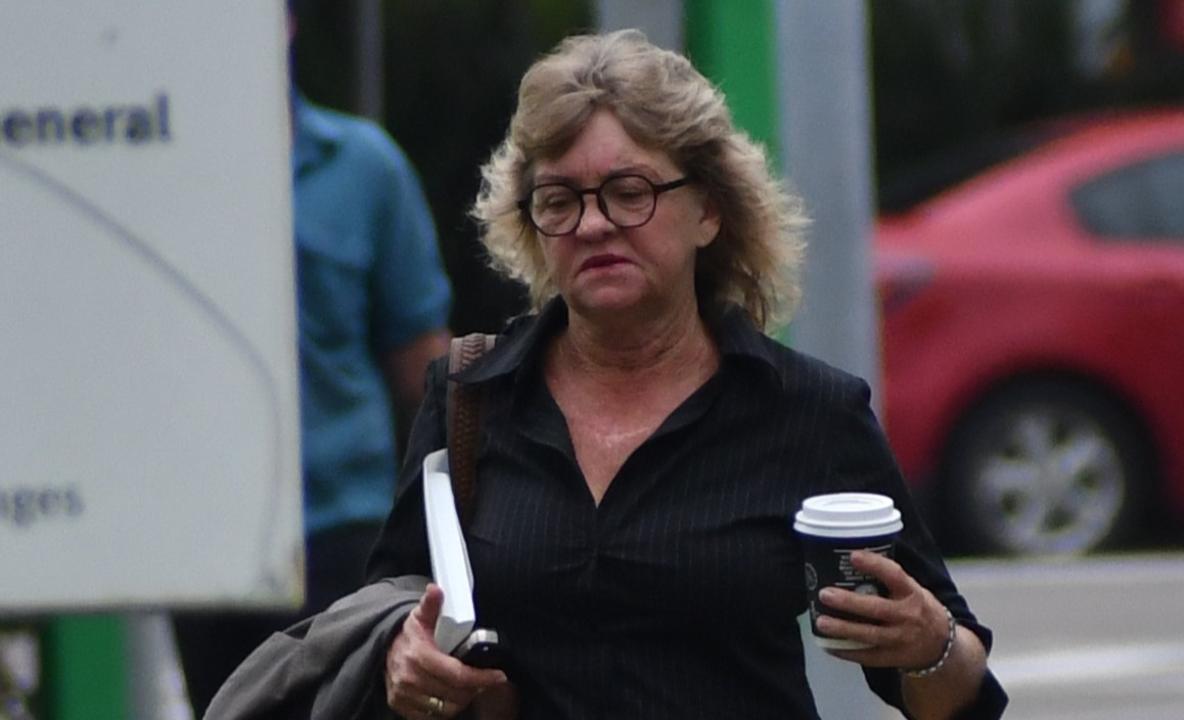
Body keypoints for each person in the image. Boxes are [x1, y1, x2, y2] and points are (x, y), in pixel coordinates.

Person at [367, 29, 1006, 720]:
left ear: (707, 209)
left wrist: (930, 644)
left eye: (629, 191)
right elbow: (386, 612)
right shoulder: (472, 396)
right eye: (559, 199)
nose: (593, 224)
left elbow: (958, 700)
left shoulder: (806, 411)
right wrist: (400, 654)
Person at [172, 4, 453, 715]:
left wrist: (447, 526)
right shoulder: (166, 173)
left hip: (343, 527)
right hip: (208, 535)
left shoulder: (366, 168)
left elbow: (421, 366)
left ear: (286, 26)